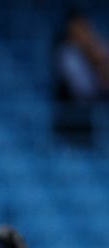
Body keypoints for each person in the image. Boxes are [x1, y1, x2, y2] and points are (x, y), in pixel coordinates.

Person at [52, 11, 109, 147]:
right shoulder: (66, 52)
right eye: (80, 27)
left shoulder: (94, 49)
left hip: (89, 117)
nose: (84, 32)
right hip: (71, 120)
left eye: (85, 27)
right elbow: (84, 90)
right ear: (70, 28)